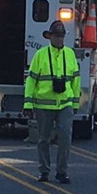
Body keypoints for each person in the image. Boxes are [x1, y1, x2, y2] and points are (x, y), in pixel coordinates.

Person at [23, 20, 81, 184]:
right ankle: (44, 171)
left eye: (61, 36)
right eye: (56, 36)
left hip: (65, 105)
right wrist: (28, 104)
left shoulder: (69, 54)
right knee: (43, 140)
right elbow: (31, 81)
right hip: (43, 106)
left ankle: (62, 172)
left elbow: (76, 80)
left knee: (65, 139)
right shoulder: (40, 55)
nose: (59, 39)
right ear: (50, 37)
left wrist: (75, 103)